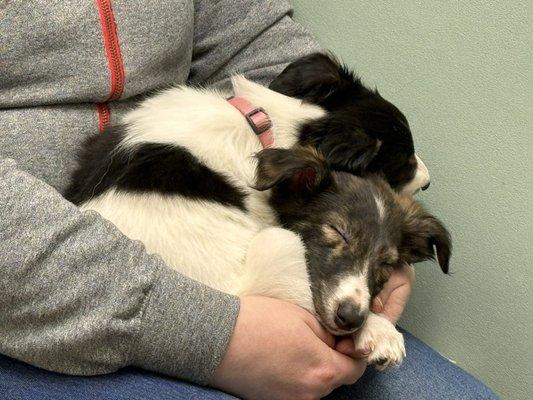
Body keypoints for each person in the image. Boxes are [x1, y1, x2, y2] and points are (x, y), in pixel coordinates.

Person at [0, 1, 498, 399]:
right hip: (40, 303)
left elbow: (254, 43)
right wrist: (215, 336)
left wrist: (372, 218)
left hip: (214, 236)